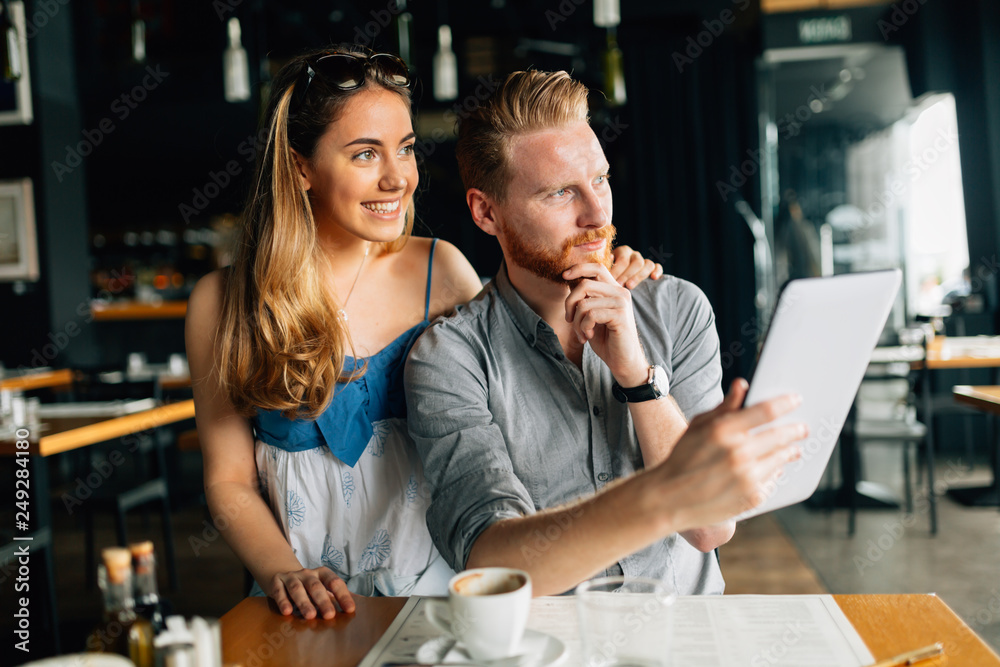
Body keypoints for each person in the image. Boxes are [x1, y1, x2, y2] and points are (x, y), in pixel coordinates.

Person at [186, 48, 662, 620]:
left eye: (405, 149)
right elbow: (230, 481)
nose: (396, 178)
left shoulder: (443, 270)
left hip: (444, 593)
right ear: (300, 168)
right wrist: (284, 573)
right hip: (303, 602)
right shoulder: (224, 303)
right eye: (365, 153)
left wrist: (604, 268)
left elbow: (530, 361)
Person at [404, 70, 807, 597]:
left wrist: (637, 376)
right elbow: (494, 561)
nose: (597, 215)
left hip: (686, 642)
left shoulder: (678, 309)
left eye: (601, 180)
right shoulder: (449, 358)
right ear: (486, 212)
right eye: (560, 193)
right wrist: (663, 494)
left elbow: (710, 529)